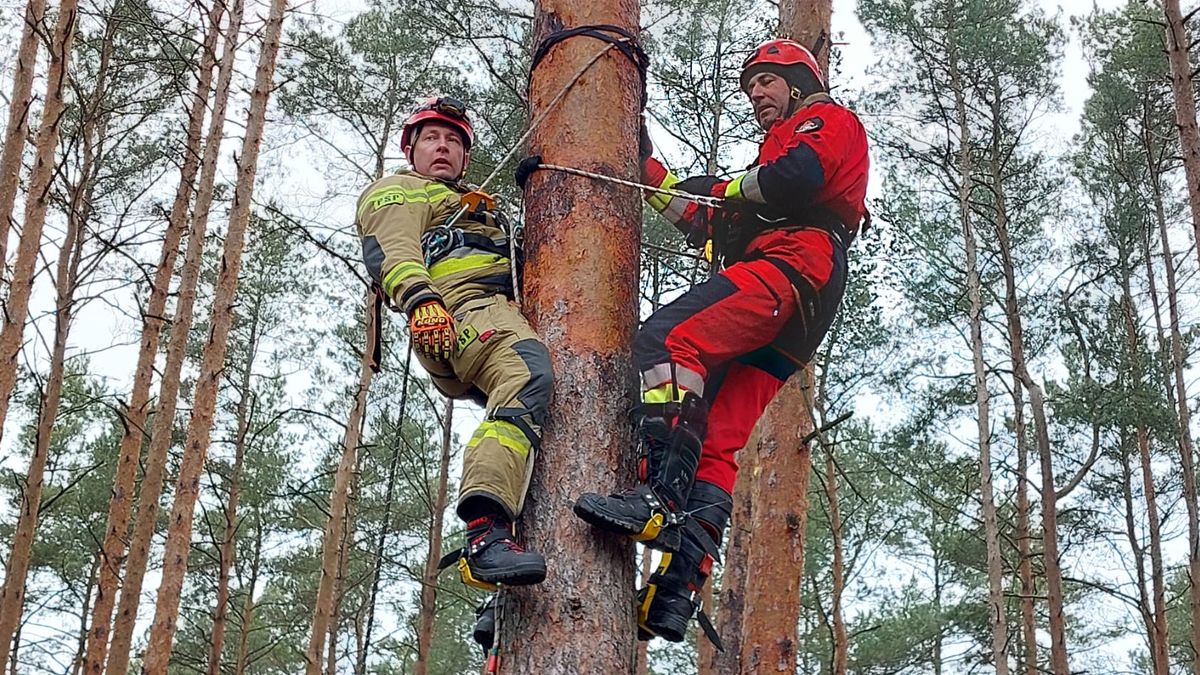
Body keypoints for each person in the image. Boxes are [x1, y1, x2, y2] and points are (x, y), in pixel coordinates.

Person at [573, 38, 870, 642]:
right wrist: (644, 166)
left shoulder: (826, 122)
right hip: (796, 300)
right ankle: (679, 586)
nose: (756, 94)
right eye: (750, 87)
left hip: (793, 266)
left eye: (766, 82)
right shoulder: (764, 181)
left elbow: (794, 178)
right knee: (718, 437)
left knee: (665, 341)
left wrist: (732, 189)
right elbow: (701, 211)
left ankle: (660, 495)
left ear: (798, 81)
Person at [355, 96, 551, 589]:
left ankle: (496, 599)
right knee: (527, 374)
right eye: (432, 138)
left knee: (534, 419)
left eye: (454, 141)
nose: (443, 147)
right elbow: (392, 249)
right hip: (460, 313)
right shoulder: (399, 192)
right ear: (411, 149)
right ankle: (484, 533)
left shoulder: (473, 207)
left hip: (496, 315)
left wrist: (543, 192)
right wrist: (422, 301)